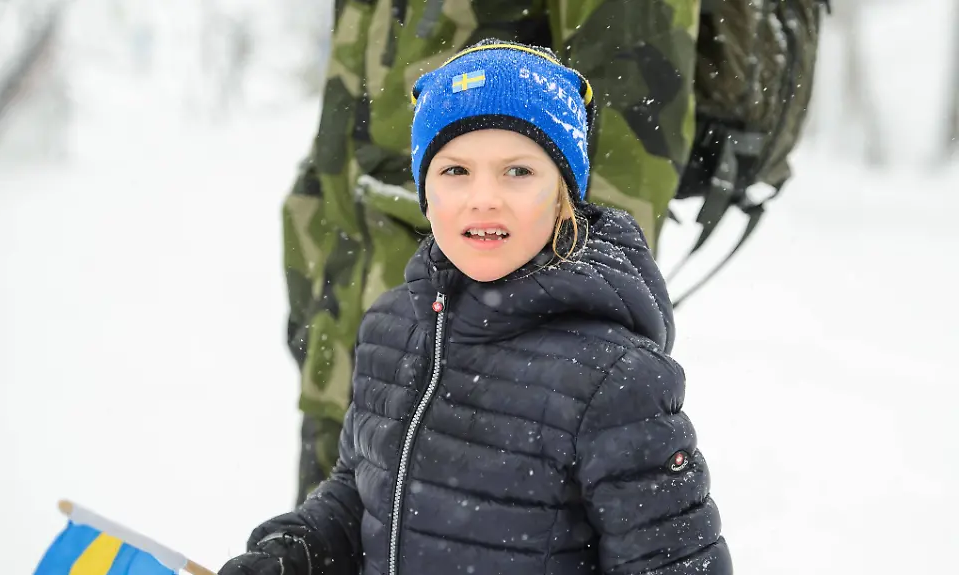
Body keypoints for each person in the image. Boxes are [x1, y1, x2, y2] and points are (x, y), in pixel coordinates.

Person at [223, 40, 730, 575]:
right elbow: (361, 491)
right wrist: (298, 550)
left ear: (564, 194)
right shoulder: (390, 329)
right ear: (424, 191)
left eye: (518, 172)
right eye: (455, 171)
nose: (484, 197)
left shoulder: (616, 380)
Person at [287, 0, 700, 503]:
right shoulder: (385, 334)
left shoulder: (607, 385)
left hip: (504, 351)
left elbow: (633, 118)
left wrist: (570, 338)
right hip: (365, 323)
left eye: (517, 172)